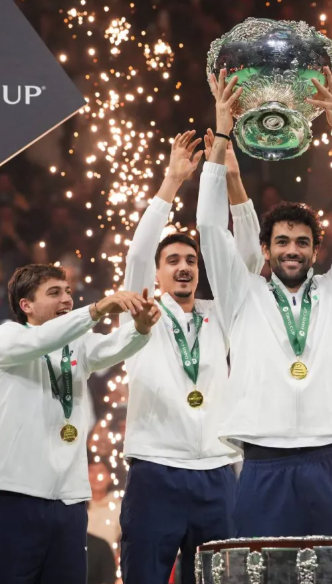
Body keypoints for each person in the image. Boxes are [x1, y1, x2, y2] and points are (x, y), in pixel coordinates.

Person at [197, 67, 332, 536]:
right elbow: (210, 227)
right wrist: (221, 135)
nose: (292, 250)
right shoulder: (241, 294)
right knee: (259, 570)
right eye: (282, 241)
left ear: (316, 251)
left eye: (302, 242)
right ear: (265, 250)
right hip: (264, 462)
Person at [118, 129, 262, 584]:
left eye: (191, 260)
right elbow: (138, 253)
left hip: (217, 472)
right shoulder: (140, 313)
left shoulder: (220, 314)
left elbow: (249, 259)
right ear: (157, 274)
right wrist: (171, 181)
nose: (184, 266)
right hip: (155, 470)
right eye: (173, 260)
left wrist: (234, 182)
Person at [0, 266, 160, 584]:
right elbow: (42, 340)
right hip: (14, 498)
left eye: (68, 292)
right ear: (26, 305)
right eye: (54, 293)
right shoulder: (4, 338)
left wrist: (141, 329)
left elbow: (112, 345)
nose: (66, 299)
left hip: (70, 501)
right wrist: (97, 308)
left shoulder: (78, 344)